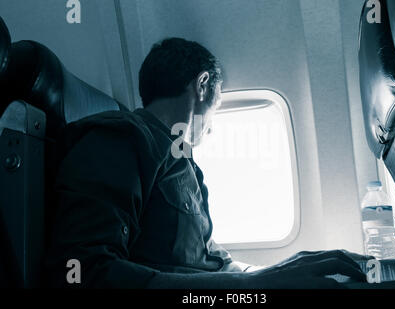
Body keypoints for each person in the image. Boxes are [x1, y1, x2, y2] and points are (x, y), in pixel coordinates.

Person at [45, 38, 370, 288]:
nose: (212, 124)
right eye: (218, 100)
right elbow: (84, 271)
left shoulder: (182, 163)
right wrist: (251, 287)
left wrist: (284, 268)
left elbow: (215, 263)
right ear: (202, 85)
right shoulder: (119, 139)